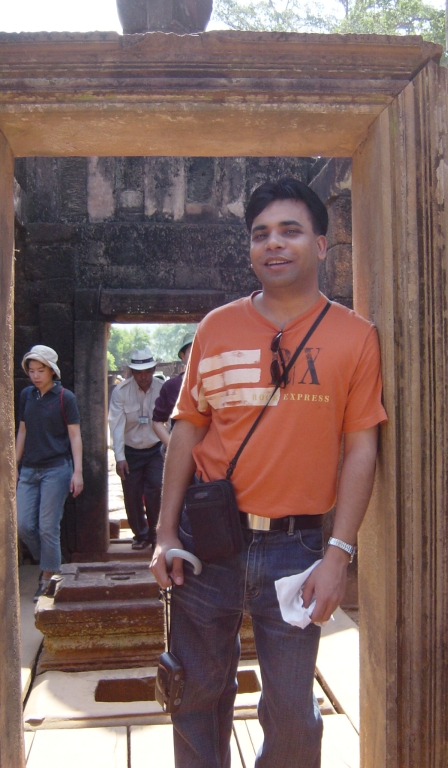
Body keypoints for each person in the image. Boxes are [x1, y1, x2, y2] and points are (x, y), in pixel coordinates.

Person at [150, 178, 388, 767]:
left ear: (322, 244)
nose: (273, 244)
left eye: (290, 231)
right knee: (197, 695)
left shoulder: (356, 338)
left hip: (298, 551)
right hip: (209, 546)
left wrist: (339, 554)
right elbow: (188, 429)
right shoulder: (216, 328)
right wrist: (164, 534)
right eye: (261, 234)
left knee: (291, 715)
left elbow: (362, 448)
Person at [16, 345, 83, 602]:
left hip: (57, 468)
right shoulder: (26, 395)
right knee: (24, 526)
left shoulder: (66, 397)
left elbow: (75, 436)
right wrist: (15, 464)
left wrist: (78, 472)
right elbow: (22, 430)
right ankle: (50, 561)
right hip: (30, 469)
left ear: (52, 371)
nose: (35, 375)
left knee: (47, 526)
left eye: (40, 370)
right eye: (31, 371)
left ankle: (48, 577)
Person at [108, 347, 164, 550]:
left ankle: (156, 534)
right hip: (131, 451)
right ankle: (140, 535)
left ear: (153, 369)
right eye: (139, 372)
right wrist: (120, 457)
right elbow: (116, 425)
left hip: (155, 449)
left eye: (148, 371)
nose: (144, 376)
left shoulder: (161, 388)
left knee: (156, 489)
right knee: (131, 494)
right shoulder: (120, 392)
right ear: (132, 372)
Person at [151, 331, 195, 449]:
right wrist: (173, 448)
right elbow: (157, 421)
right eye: (193, 352)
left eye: (202, 351)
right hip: (183, 452)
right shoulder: (172, 386)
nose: (198, 356)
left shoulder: (215, 384)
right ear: (183, 355)